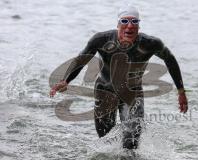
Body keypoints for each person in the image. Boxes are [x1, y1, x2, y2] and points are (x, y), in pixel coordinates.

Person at [49, 5, 188, 149]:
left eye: (134, 22)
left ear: (139, 26)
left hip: (133, 93)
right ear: (117, 24)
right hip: (105, 91)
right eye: (124, 21)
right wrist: (66, 80)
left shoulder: (150, 44)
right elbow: (81, 60)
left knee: (132, 141)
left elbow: (170, 60)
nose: (129, 26)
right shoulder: (101, 40)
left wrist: (181, 92)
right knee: (107, 141)